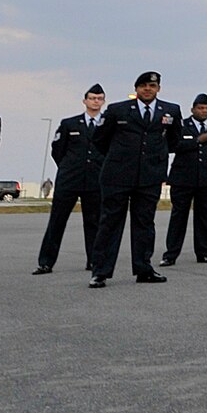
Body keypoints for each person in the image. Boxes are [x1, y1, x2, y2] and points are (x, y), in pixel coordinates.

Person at [88, 71, 181, 287]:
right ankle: (100, 272)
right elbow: (99, 139)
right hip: (117, 177)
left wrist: (156, 158)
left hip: (149, 177)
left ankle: (143, 268)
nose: (147, 89)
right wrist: (117, 159)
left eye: (152, 86)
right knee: (110, 224)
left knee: (145, 224)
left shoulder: (170, 111)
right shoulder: (117, 110)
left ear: (158, 89)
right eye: (143, 86)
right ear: (136, 89)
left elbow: (174, 141)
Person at [35, 84, 106, 276]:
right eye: (92, 98)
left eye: (99, 98)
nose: (95, 102)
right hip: (69, 180)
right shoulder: (69, 124)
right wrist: (68, 167)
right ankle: (46, 262)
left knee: (94, 222)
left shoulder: (107, 124)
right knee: (57, 221)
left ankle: (94, 261)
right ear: (85, 101)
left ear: (103, 101)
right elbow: (58, 150)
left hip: (95, 180)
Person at [162, 94, 207, 266]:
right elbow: (173, 146)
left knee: (205, 216)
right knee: (179, 217)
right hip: (183, 178)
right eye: (200, 108)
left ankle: (205, 252)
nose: (204, 111)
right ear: (193, 109)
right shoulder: (182, 125)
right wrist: (198, 140)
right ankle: (170, 254)